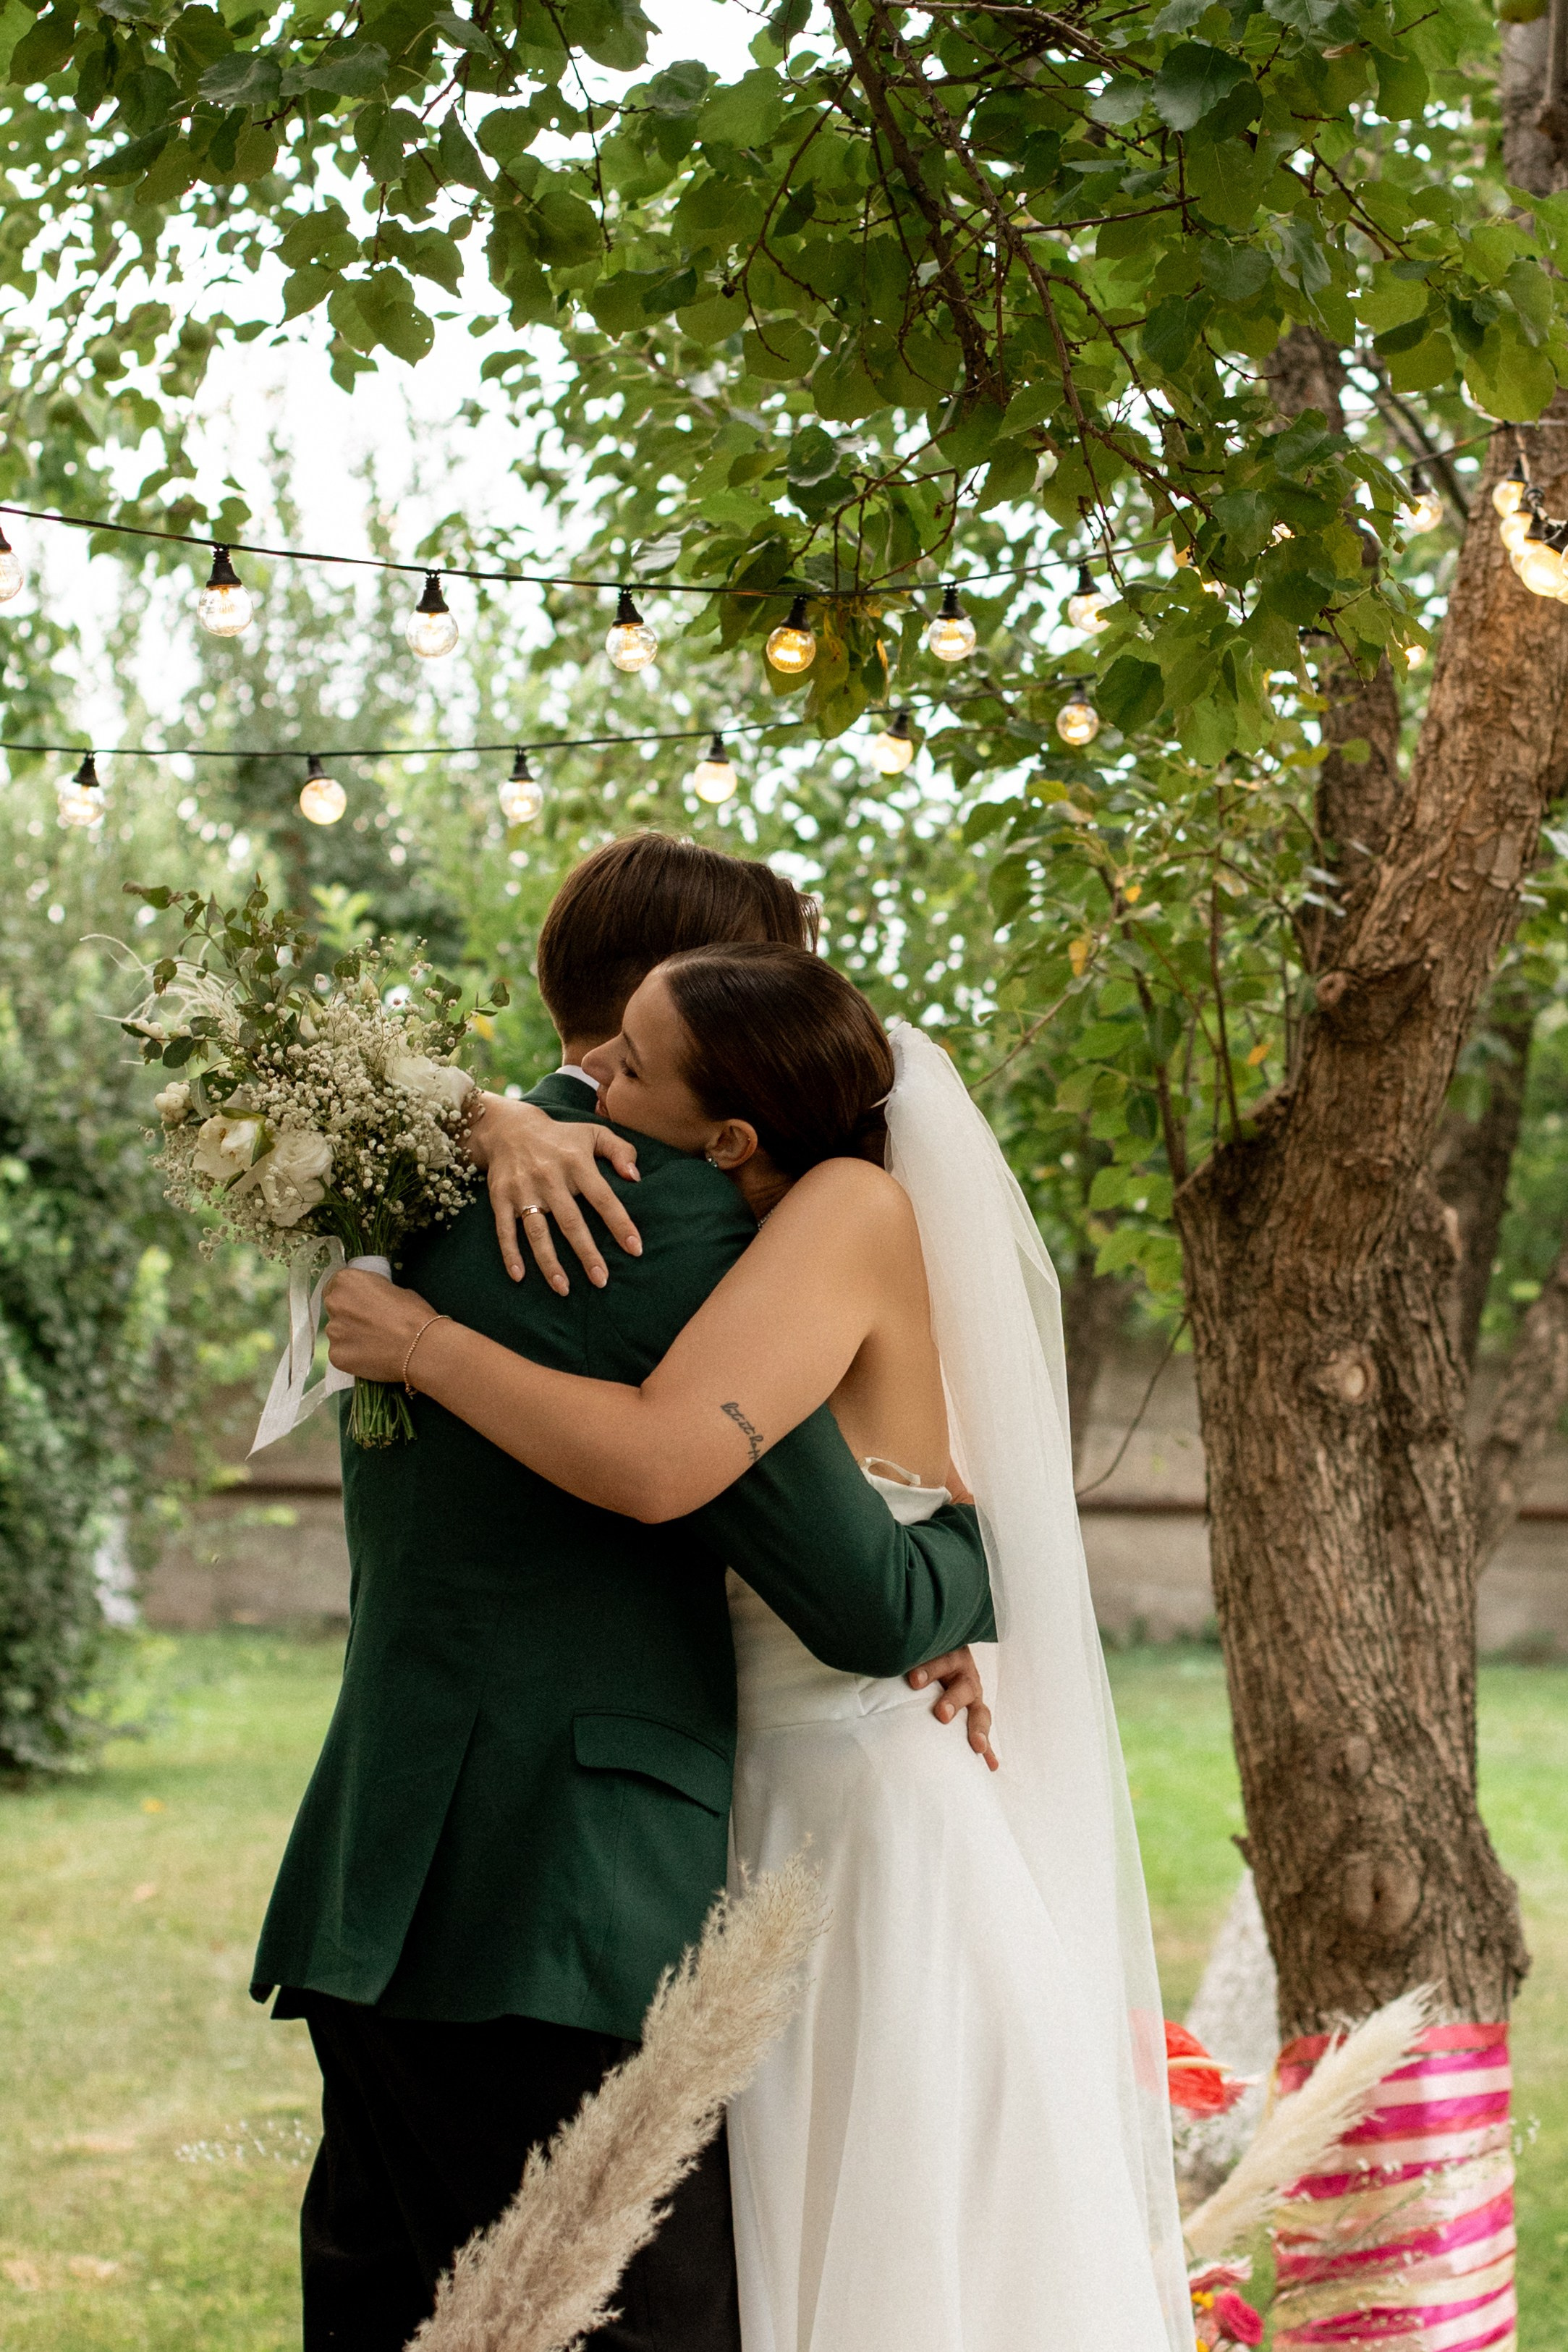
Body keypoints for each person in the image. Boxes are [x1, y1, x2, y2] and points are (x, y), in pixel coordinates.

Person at [327, 942, 1192, 2352]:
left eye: (629, 1063)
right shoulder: (727, 1218)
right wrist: (488, 1117)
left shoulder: (834, 1208)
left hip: (847, 1814)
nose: (587, 1080)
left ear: (730, 1133)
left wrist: (422, 1343)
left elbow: (673, 1463)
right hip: (739, 1802)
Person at [253, 834, 997, 2352]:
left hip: (376, 1871)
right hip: (558, 1906)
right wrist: (974, 1568)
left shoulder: (403, 1179)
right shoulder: (658, 1224)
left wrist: (483, 1111)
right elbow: (857, 1597)